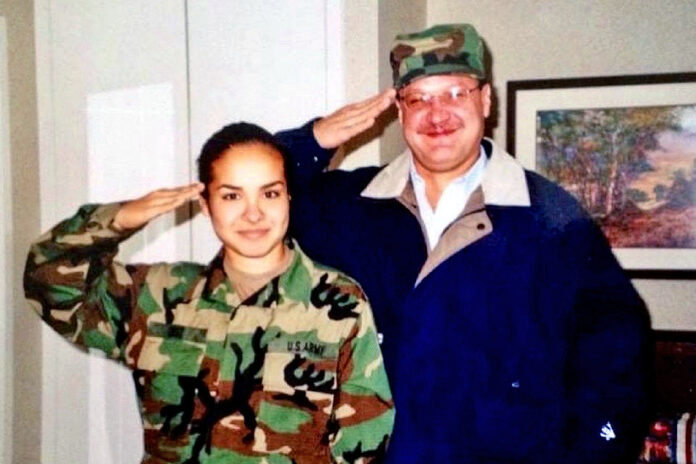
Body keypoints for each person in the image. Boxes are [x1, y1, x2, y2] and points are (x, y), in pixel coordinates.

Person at [279, 24, 652, 463]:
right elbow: (248, 193)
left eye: (456, 93)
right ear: (399, 112)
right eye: (418, 98)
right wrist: (315, 139)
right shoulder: (347, 207)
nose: (438, 115)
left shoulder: (549, 217)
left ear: (485, 100)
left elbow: (615, 352)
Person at [24, 122, 394, 464]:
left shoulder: (340, 302)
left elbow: (365, 437)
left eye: (270, 193)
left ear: (289, 198)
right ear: (205, 205)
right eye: (232, 196)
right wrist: (118, 219)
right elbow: (49, 281)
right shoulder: (157, 296)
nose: (254, 214)